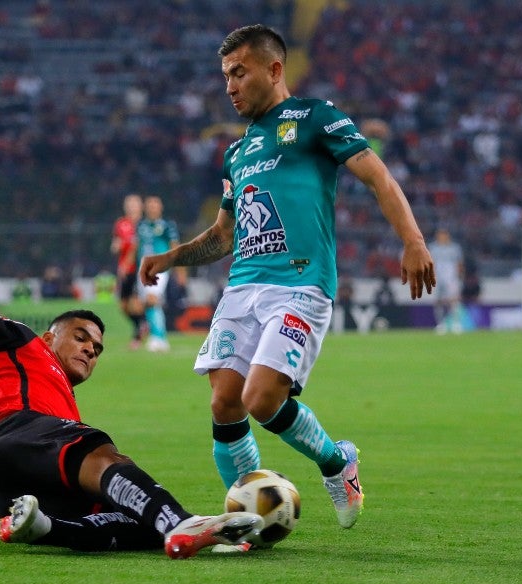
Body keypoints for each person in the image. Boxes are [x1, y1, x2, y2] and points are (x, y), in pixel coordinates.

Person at [139, 24, 435, 533]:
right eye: (225, 76)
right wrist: (172, 257)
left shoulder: (316, 118)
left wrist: (413, 241)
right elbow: (224, 236)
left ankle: (337, 462)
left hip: (300, 284)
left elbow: (377, 176)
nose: (229, 86)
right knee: (225, 401)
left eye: (239, 72)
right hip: (242, 287)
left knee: (261, 399)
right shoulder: (237, 152)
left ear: (275, 70)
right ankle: (248, 517)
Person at [0, 173, 263, 559]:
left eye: (98, 347)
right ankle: (180, 521)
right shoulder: (20, 341)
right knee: (105, 457)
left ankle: (44, 527)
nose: (91, 349)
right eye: (80, 336)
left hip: (14, 488)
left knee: (135, 522)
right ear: (48, 337)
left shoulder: (63, 402)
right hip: (17, 435)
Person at [135, 195, 182, 352]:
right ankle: (158, 336)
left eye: (155, 205)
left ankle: (158, 338)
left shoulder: (167, 226)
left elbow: (175, 246)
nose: (152, 208)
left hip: (159, 267)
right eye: (150, 205)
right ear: (145, 208)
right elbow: (137, 247)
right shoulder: (140, 225)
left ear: (160, 207)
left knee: (152, 298)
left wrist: (179, 268)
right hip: (143, 268)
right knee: (148, 302)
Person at [110, 193, 146, 349]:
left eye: (134, 204)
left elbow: (138, 246)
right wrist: (115, 247)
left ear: (140, 206)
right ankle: (142, 324)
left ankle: (138, 335)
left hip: (139, 268)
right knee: (123, 306)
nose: (131, 206)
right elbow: (116, 243)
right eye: (129, 204)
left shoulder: (144, 225)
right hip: (125, 269)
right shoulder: (121, 223)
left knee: (136, 303)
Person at [428, 228, 464, 334]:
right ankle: (441, 324)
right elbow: (431, 263)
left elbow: (459, 264)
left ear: (448, 236)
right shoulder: (433, 248)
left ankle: (456, 324)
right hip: (438, 278)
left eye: (444, 235)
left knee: (454, 301)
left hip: (451, 277)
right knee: (438, 301)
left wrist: (459, 277)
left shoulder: (454, 248)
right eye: (440, 235)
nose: (442, 237)